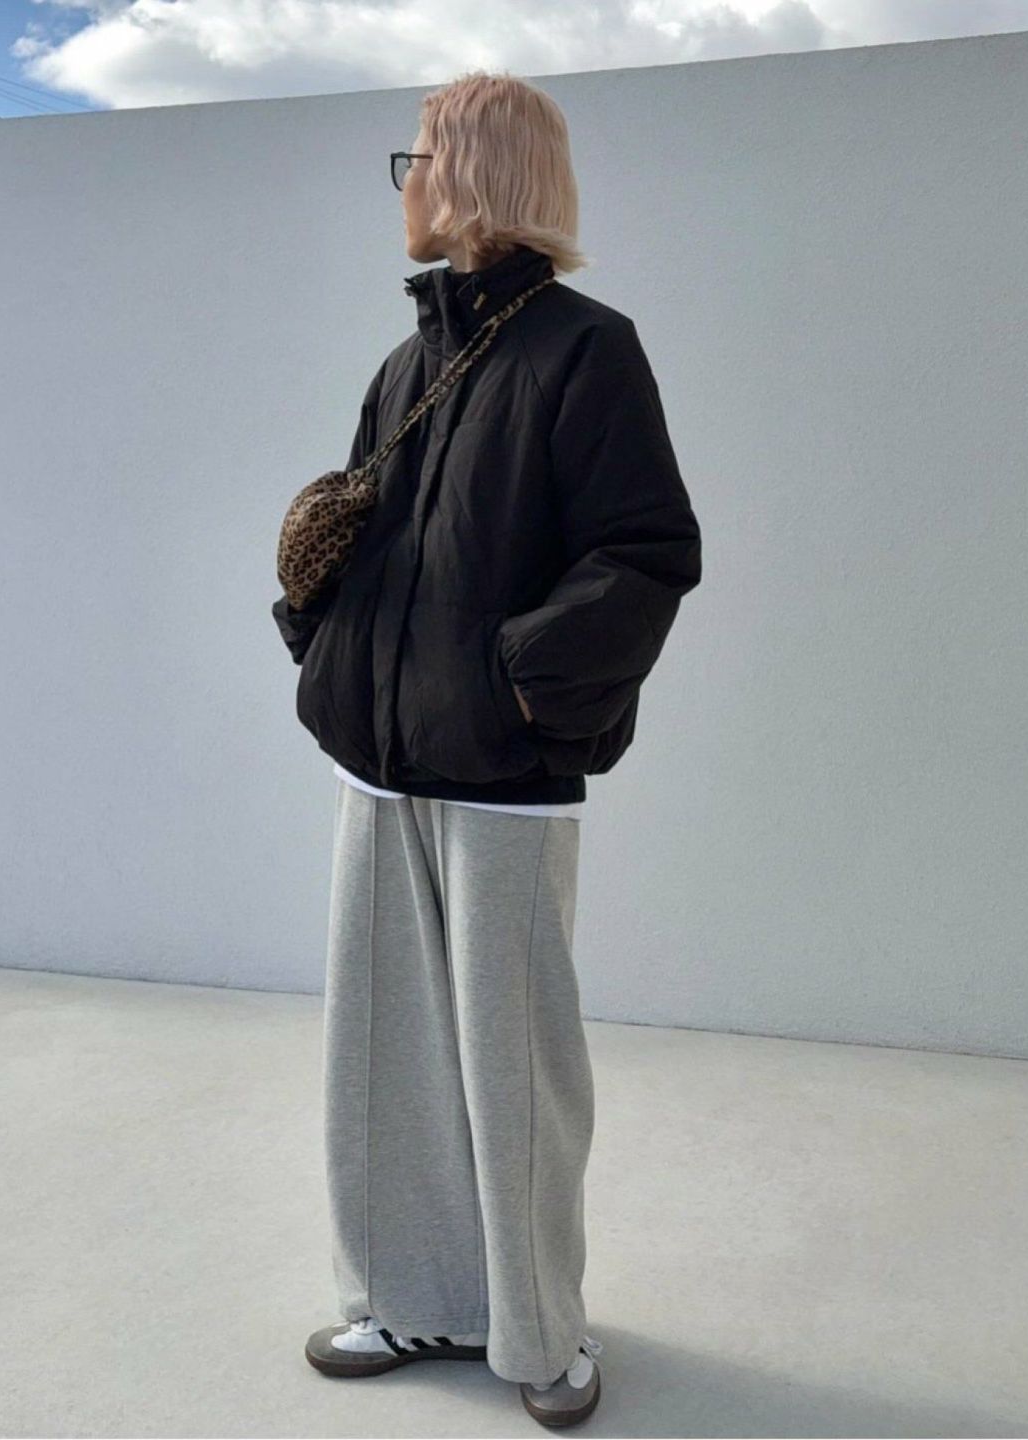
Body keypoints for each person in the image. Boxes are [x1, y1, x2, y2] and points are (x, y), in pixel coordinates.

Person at [274, 69, 703, 1427]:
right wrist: (320, 630)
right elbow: (370, 533)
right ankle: (411, 1297)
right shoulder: (411, 360)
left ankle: (539, 1331)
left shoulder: (587, 349)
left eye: (417, 155)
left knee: (513, 1068)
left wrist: (520, 693)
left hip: (505, 777)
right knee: (384, 1059)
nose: (404, 181)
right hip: (377, 757)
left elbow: (645, 553)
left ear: (470, 170)